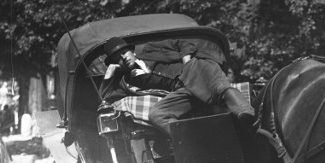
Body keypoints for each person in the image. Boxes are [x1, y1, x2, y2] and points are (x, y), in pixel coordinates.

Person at [100, 37, 255, 140]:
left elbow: (183, 42)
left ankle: (247, 115)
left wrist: (186, 61)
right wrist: (109, 73)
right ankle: (192, 143)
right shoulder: (127, 81)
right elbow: (107, 101)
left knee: (216, 85)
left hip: (194, 70)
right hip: (181, 91)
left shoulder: (151, 49)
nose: (123, 58)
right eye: (117, 58)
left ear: (132, 51)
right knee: (156, 114)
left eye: (124, 52)